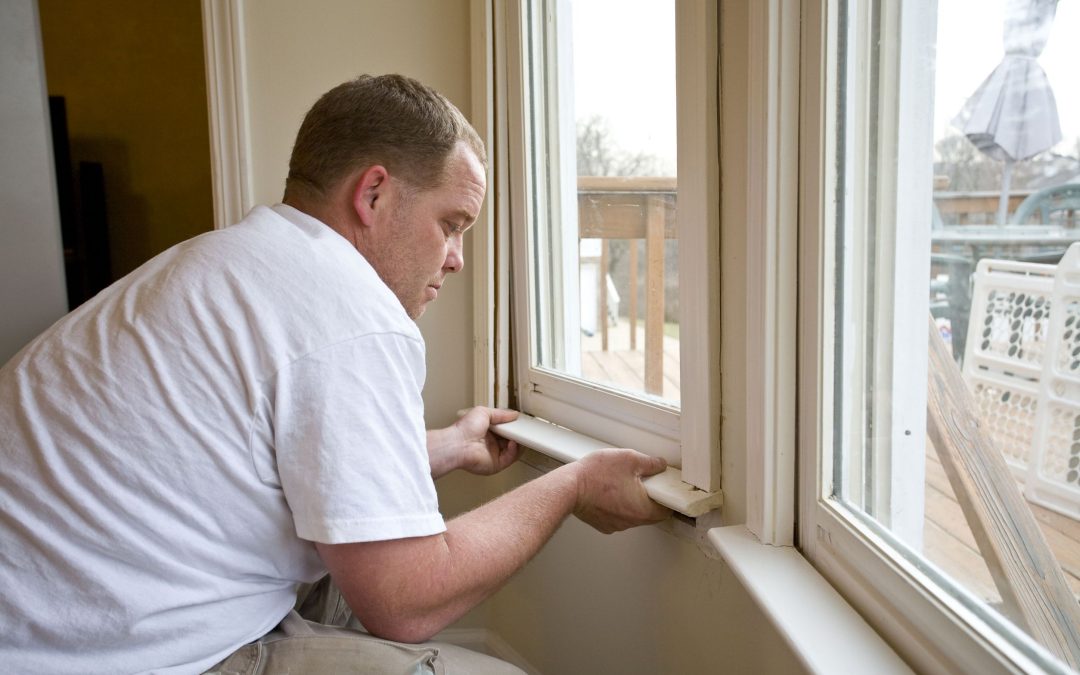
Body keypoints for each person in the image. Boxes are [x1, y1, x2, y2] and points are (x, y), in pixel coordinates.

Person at [0, 73, 671, 674]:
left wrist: (444, 444)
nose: (457, 257)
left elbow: (263, 461)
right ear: (374, 192)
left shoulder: (231, 263)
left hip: (50, 624)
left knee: (340, 571)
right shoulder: (348, 313)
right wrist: (571, 484)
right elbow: (407, 601)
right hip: (105, 652)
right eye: (452, 223)